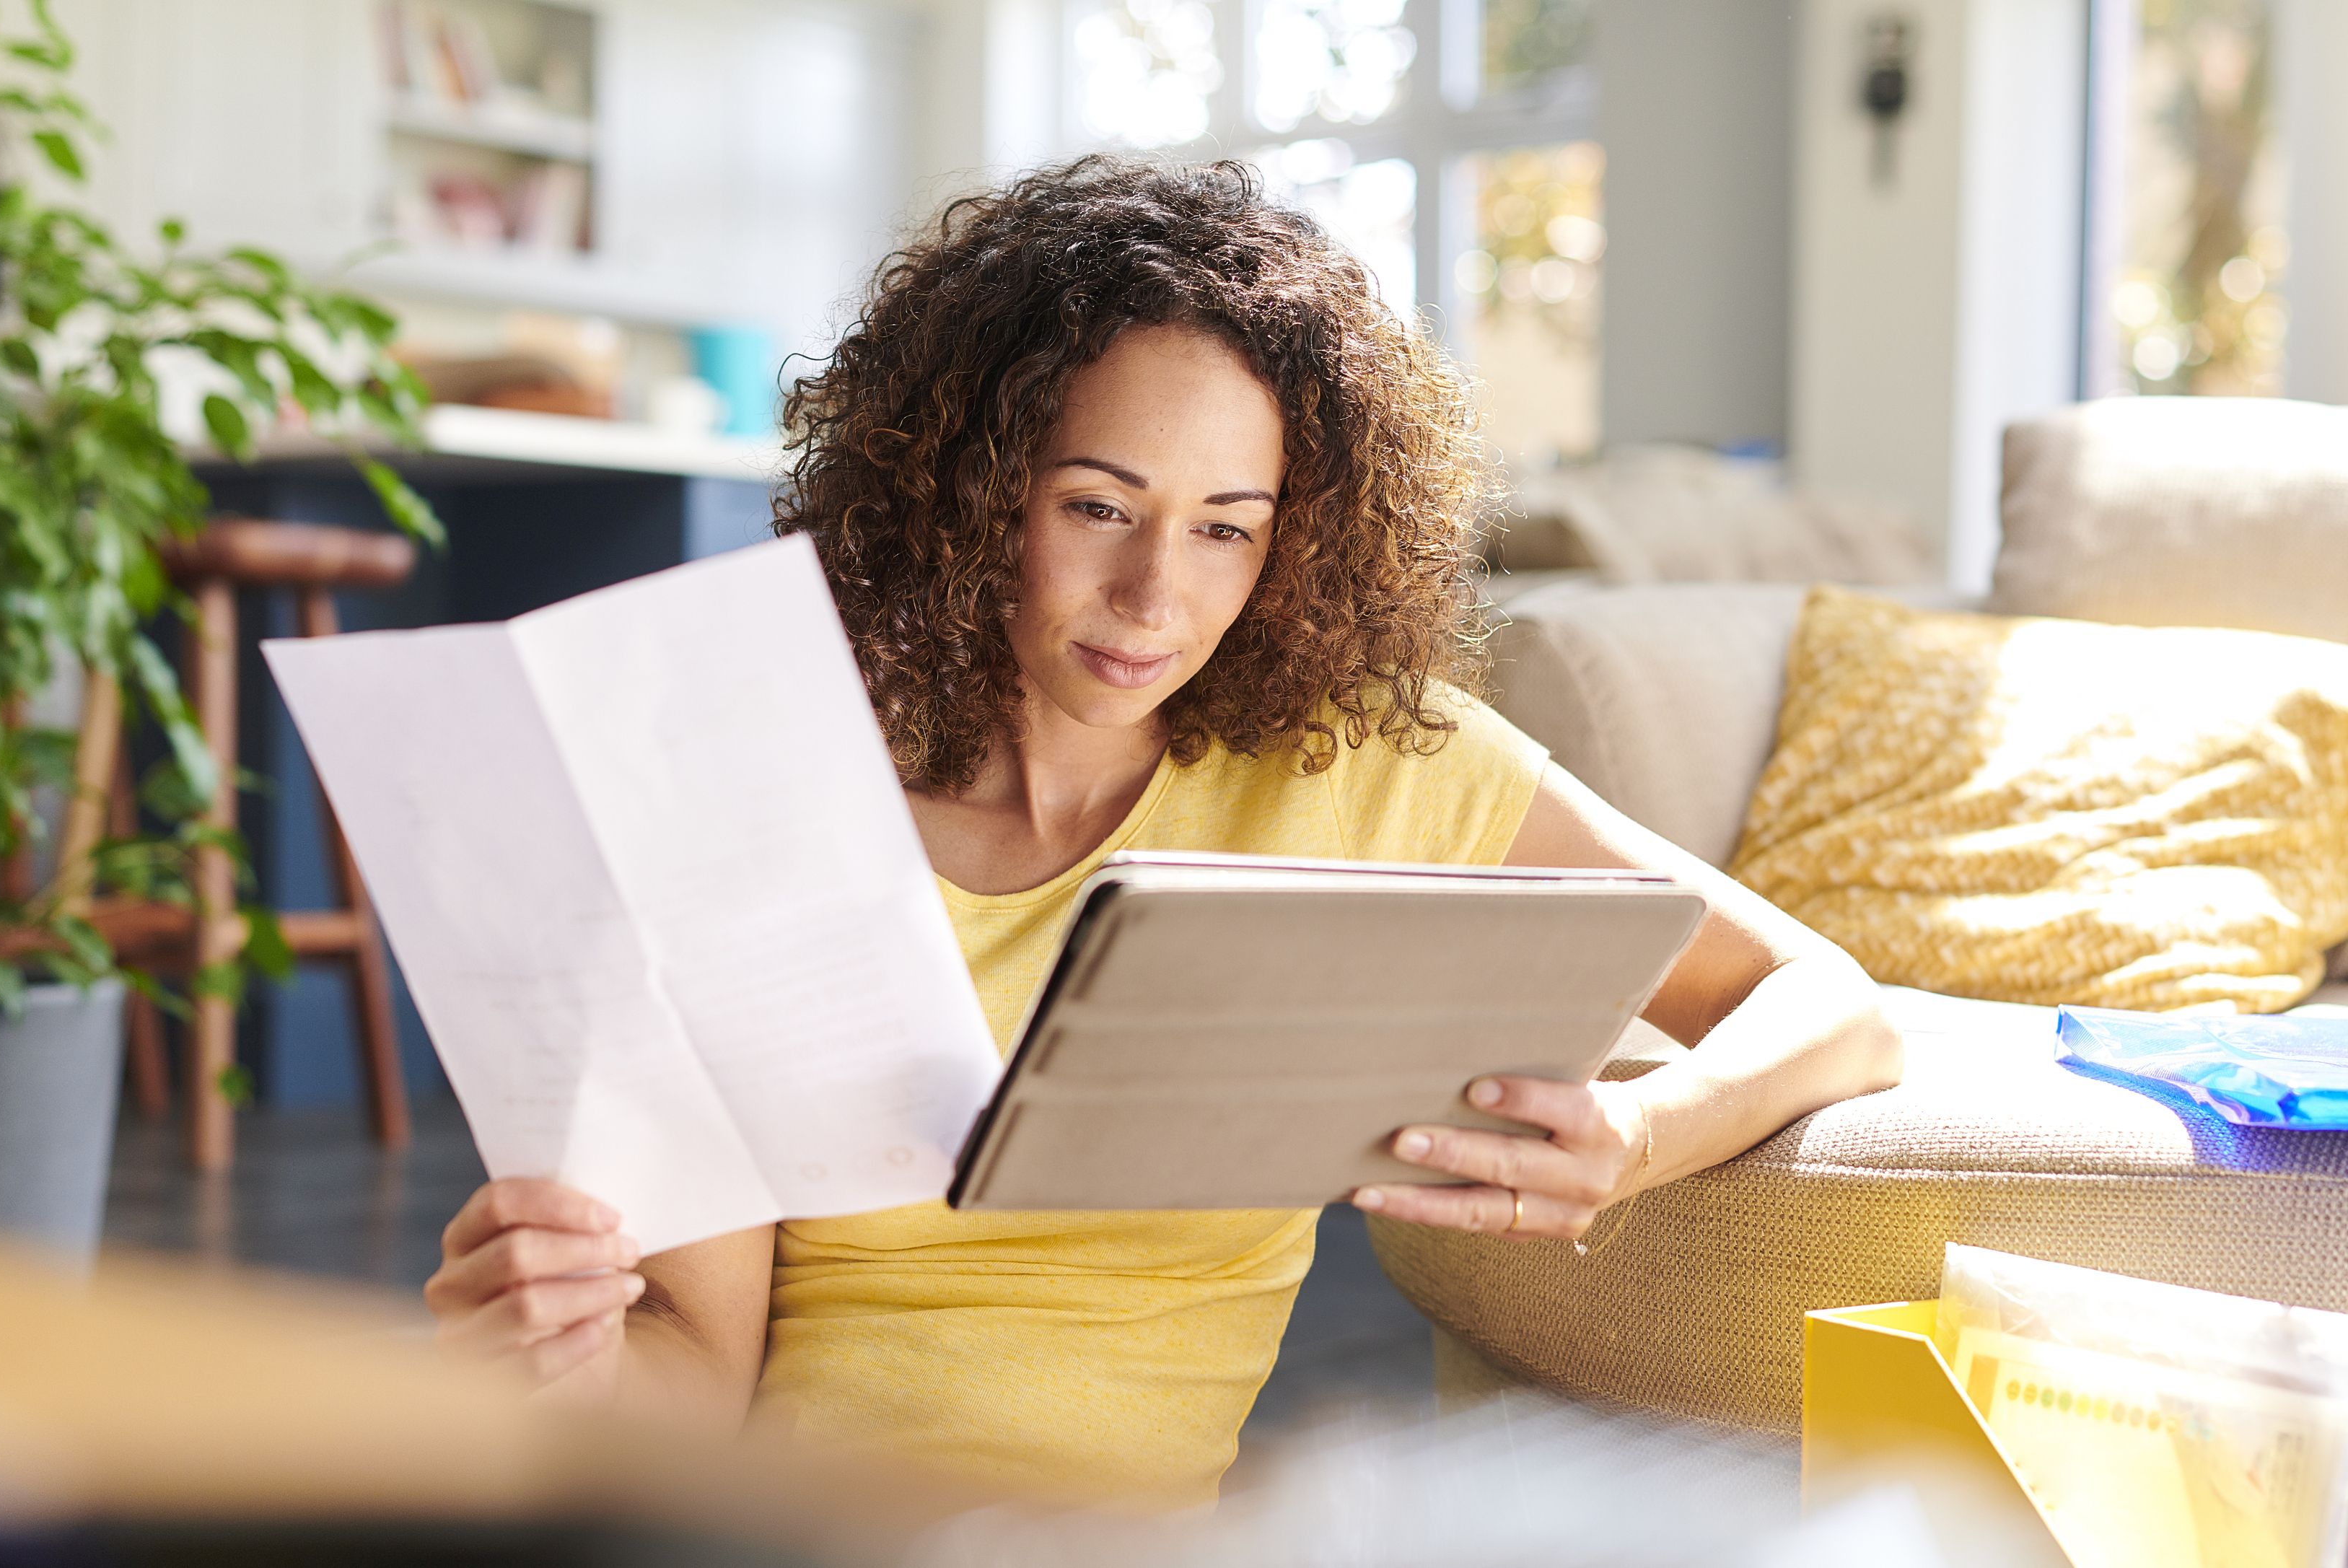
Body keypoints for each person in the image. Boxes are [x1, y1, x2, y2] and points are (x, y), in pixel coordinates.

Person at [424, 158, 1901, 1508]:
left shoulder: (1367, 763)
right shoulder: (765, 796)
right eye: (1097, 506)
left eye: (1224, 527)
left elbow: (1828, 1004)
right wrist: (565, 1356)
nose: (1154, 596)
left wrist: (1638, 1136)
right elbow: (697, 1383)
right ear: (969, 486)